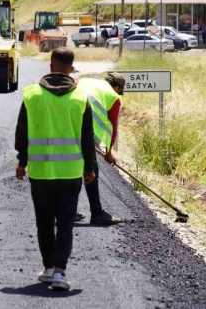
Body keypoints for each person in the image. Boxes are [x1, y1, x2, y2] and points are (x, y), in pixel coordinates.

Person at [15, 47, 96, 292]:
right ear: (71, 69)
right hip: (70, 173)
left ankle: (48, 268)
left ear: (50, 66)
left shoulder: (32, 95)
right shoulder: (81, 98)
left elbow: (22, 132)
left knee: (44, 222)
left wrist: (22, 162)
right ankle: (60, 273)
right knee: (66, 223)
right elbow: (87, 139)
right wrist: (89, 169)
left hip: (41, 173)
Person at [74, 72, 125, 225]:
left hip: (66, 125)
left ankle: (66, 211)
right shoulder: (113, 96)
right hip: (88, 132)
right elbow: (114, 126)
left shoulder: (83, 81)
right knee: (91, 170)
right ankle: (97, 214)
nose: (119, 94)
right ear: (116, 87)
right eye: (120, 91)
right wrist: (109, 152)